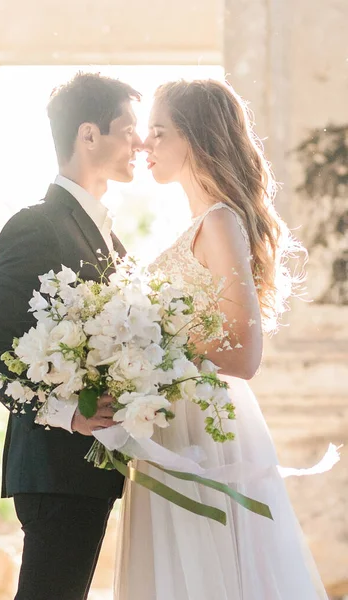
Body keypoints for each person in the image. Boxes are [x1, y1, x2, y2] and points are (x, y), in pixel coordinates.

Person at [114, 78, 328, 599]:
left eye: (159, 132)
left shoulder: (221, 222)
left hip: (202, 427)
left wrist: (148, 354)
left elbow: (244, 352)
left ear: (195, 138)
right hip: (174, 420)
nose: (146, 146)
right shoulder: (202, 223)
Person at [0, 72, 143, 600]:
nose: (140, 142)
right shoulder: (35, 225)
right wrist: (68, 413)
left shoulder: (111, 237)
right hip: (53, 470)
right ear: (88, 135)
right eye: (128, 128)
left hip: (90, 472)